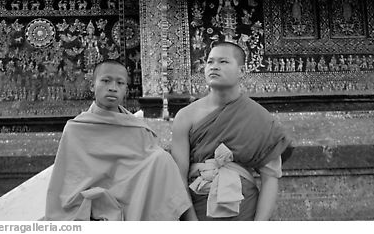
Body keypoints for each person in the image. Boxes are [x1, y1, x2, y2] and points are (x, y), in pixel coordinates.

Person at [45, 60, 191, 221]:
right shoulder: (76, 129)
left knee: (162, 158)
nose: (113, 87)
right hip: (99, 200)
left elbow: (148, 166)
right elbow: (69, 180)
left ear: (125, 90)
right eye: (106, 81)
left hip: (135, 192)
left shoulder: (136, 127)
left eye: (120, 83)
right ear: (92, 85)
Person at [172, 41, 293, 221]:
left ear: (241, 71)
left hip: (243, 208)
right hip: (198, 206)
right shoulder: (185, 116)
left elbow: (270, 178)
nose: (214, 67)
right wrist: (191, 222)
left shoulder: (259, 117)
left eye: (223, 62)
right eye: (210, 61)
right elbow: (177, 177)